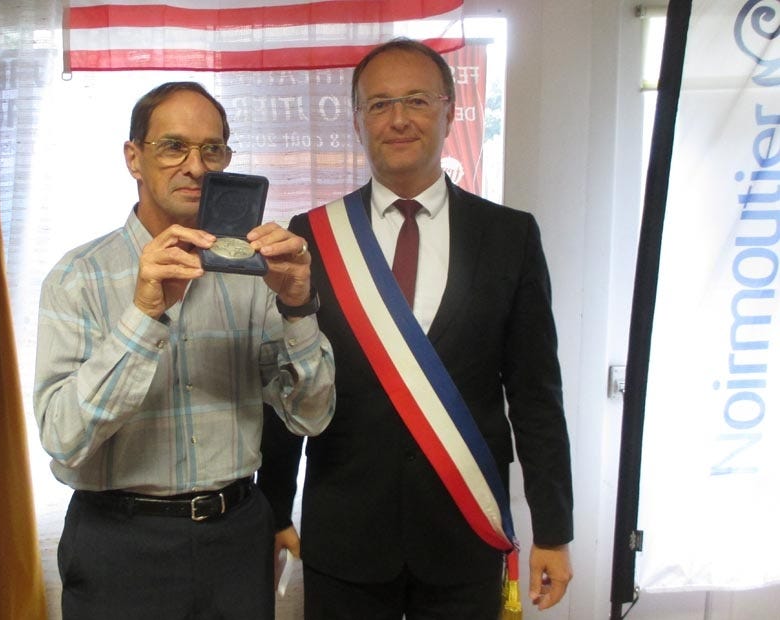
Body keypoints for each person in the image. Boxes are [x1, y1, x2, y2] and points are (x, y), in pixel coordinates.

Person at [257, 38, 574, 619]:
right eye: (378, 105)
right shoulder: (312, 236)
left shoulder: (510, 237)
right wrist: (274, 509)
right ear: (357, 121)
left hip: (464, 533)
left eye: (416, 101)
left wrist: (553, 530)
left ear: (450, 111)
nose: (398, 118)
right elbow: (290, 383)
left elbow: (535, 397)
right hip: (345, 538)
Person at [33, 81, 336, 620]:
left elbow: (311, 414)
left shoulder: (255, 276)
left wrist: (297, 307)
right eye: (174, 146)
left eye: (213, 149)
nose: (196, 167)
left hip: (237, 537)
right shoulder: (78, 278)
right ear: (133, 157)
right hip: (119, 546)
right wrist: (144, 315)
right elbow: (63, 439)